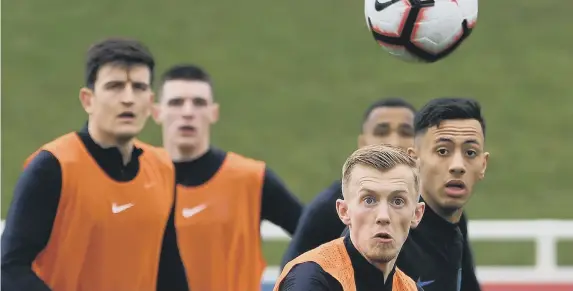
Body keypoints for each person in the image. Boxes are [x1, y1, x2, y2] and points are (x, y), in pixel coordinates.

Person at [0, 38, 188, 291]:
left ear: (151, 101)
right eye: (115, 86)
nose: (129, 99)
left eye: (139, 88)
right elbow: (10, 268)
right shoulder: (53, 167)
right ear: (88, 99)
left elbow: (169, 269)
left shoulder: (163, 168)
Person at [152, 64, 304, 291]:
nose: (187, 112)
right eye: (176, 103)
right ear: (156, 112)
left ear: (214, 112)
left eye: (199, 103)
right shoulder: (136, 180)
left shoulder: (251, 179)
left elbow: (316, 235)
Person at [341, 97, 486, 291]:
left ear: (483, 165)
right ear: (414, 159)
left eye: (470, 153)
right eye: (443, 151)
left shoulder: (455, 225)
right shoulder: (383, 234)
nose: (457, 166)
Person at [281, 98, 416, 267]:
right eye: (382, 132)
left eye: (406, 133)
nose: (394, 142)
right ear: (362, 143)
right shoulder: (327, 210)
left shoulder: (439, 207)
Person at [275, 144, 425, 291]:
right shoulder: (311, 279)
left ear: (416, 214)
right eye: (369, 200)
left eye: (398, 201)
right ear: (344, 211)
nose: (383, 216)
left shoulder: (410, 288)